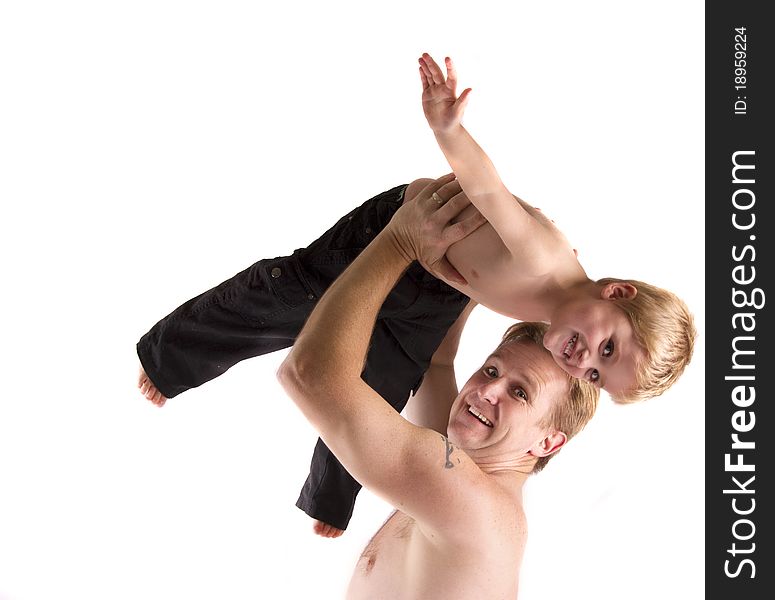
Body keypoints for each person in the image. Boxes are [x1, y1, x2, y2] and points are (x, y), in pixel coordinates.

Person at [136, 52, 695, 534]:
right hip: (406, 225)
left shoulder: (555, 317)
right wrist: (448, 128)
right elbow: (487, 188)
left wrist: (457, 296)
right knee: (293, 301)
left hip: (440, 282)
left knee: (388, 373)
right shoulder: (545, 256)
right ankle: (170, 357)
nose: (582, 364)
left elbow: (479, 297)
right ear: (615, 292)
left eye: (596, 376)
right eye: (606, 348)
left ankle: (330, 494)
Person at [277, 179, 600, 598]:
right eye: (490, 370)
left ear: (548, 442)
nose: (488, 390)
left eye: (520, 393)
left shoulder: (471, 502)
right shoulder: (464, 473)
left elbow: (309, 373)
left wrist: (398, 240)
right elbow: (438, 361)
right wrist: (486, 282)